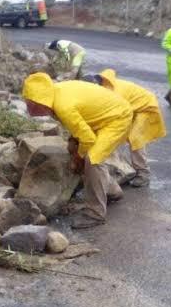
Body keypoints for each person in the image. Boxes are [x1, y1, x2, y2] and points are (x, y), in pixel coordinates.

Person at [22, 72, 132, 229]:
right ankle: (112, 190)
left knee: (93, 159)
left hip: (117, 117)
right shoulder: (53, 95)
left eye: (30, 103)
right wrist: (74, 148)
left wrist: (78, 159)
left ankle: (96, 213)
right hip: (100, 117)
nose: (28, 108)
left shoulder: (62, 106)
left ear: (40, 101)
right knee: (74, 147)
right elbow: (78, 123)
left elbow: (88, 139)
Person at [88, 69, 167, 187]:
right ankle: (126, 167)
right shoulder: (104, 86)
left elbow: (114, 116)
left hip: (146, 107)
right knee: (119, 135)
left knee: (135, 138)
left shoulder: (113, 92)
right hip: (132, 107)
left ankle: (143, 174)